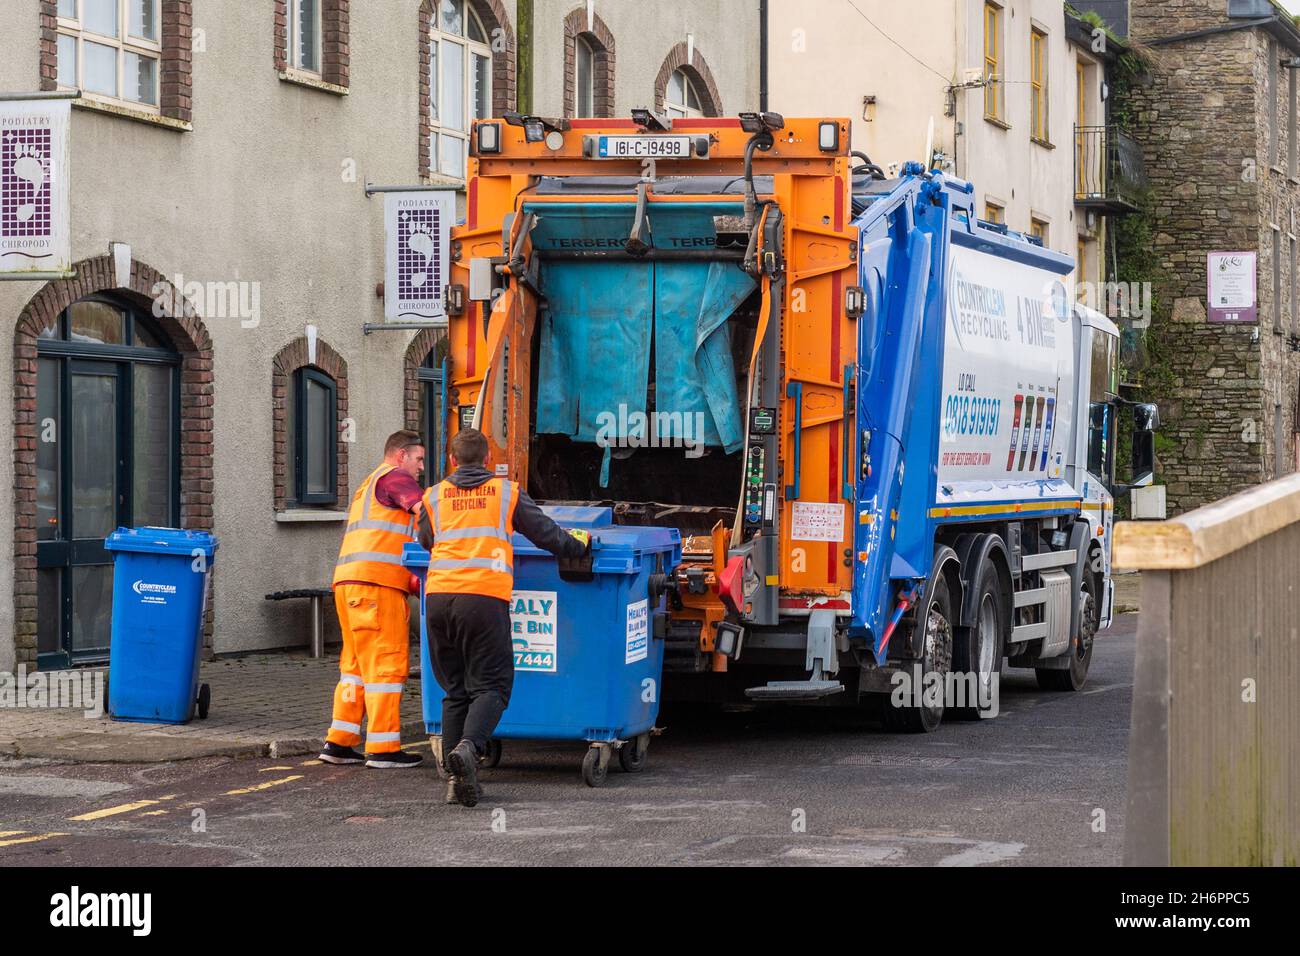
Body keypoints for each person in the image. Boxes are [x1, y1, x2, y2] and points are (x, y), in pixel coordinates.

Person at [418, 428, 590, 806]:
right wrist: (578, 546)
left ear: (452, 460)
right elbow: (546, 534)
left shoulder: (432, 496)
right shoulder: (505, 492)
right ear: (486, 460)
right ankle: (468, 747)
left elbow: (425, 541)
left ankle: (456, 779)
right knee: (492, 686)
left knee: (455, 689)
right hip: (482, 598)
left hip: (438, 599)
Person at [321, 430, 427, 769]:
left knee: (355, 668)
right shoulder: (396, 478)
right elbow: (426, 512)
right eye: (419, 459)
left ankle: (340, 742)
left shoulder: (369, 484)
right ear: (400, 456)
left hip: (350, 584)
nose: (421, 467)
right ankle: (383, 747)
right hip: (377, 587)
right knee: (386, 665)